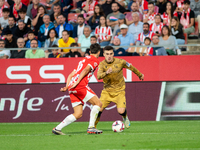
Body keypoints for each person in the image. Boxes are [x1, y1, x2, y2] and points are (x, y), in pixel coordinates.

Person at [52, 43, 103, 135]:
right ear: (99, 52)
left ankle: (57, 128)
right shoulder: (95, 60)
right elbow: (86, 70)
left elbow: (71, 74)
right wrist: (77, 82)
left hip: (71, 88)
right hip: (80, 86)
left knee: (78, 113)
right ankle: (91, 127)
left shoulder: (83, 60)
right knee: (98, 103)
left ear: (90, 51)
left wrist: (67, 86)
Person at [95, 45, 144, 129]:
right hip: (107, 91)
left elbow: (131, 67)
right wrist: (106, 73)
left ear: (113, 53)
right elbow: (98, 76)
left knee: (121, 111)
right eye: (107, 54)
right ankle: (93, 127)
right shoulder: (102, 65)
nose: (109, 56)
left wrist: (140, 75)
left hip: (119, 91)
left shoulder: (120, 62)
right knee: (98, 110)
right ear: (104, 54)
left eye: (110, 53)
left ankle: (125, 117)